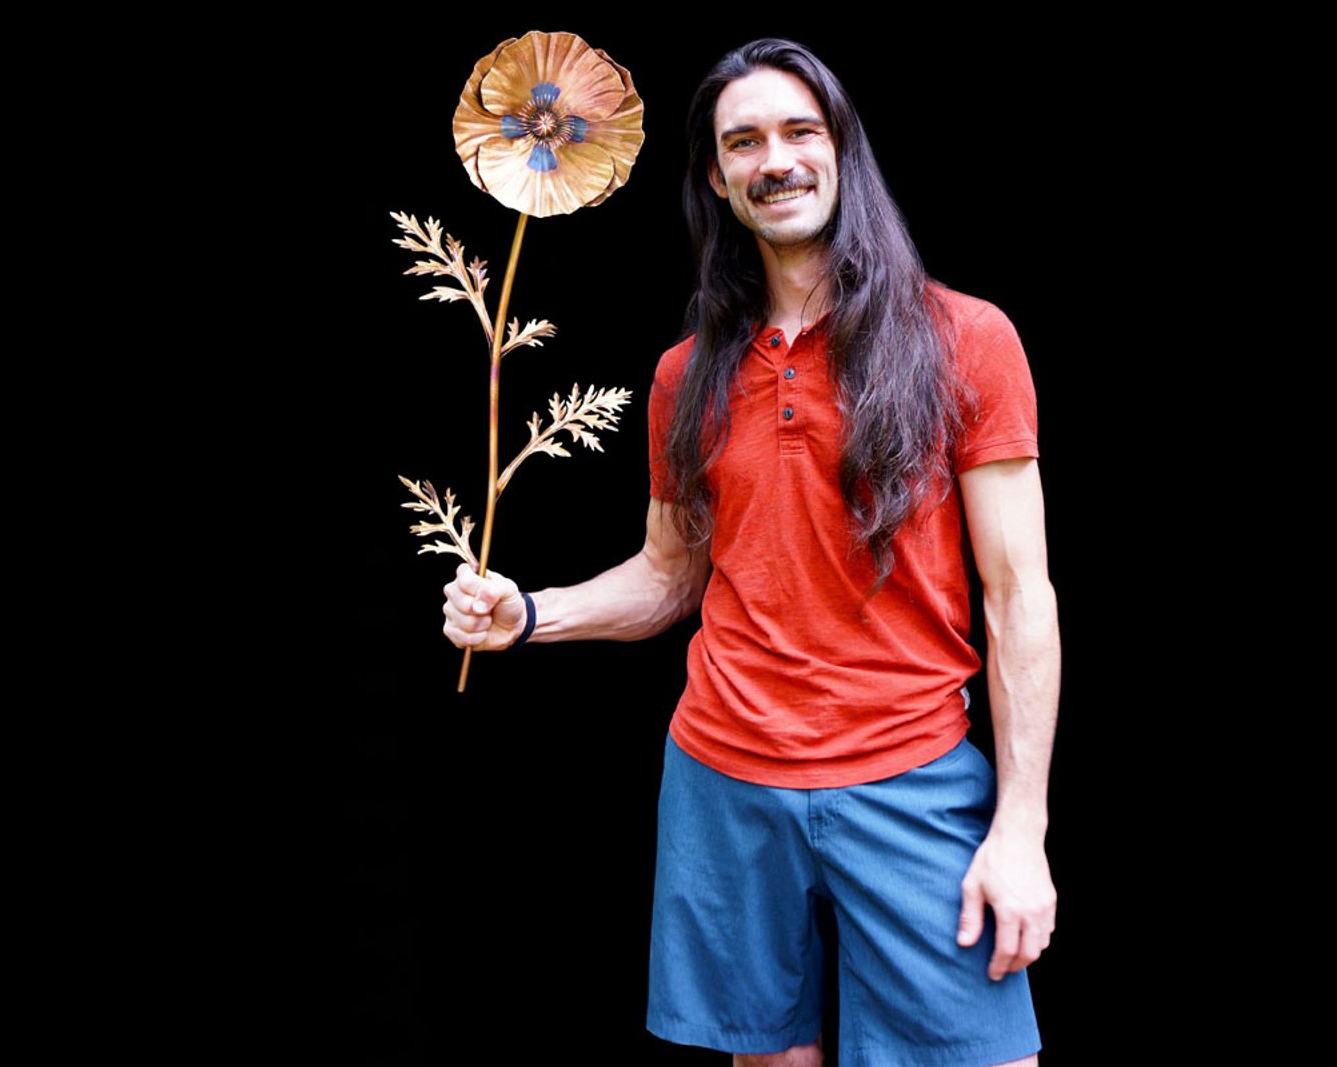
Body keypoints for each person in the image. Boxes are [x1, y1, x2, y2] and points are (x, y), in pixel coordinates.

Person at [442, 37, 1057, 1067]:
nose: (775, 160)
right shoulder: (685, 375)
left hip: (910, 773)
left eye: (798, 131)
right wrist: (532, 613)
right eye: (744, 142)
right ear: (719, 179)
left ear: (840, 150)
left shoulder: (966, 338)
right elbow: (669, 573)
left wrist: (1021, 829)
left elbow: (1018, 595)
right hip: (722, 775)